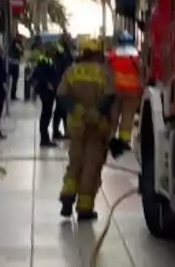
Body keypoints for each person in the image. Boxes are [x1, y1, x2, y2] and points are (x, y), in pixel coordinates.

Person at [57, 37, 127, 221]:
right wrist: (96, 112)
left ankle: (67, 194)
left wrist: (77, 111)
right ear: (97, 53)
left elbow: (62, 96)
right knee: (91, 167)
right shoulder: (105, 72)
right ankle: (84, 209)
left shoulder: (71, 71)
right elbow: (110, 97)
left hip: (77, 127)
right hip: (98, 127)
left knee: (75, 162)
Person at [108, 32, 143, 146]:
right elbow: (142, 73)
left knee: (113, 114)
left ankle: (110, 137)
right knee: (128, 116)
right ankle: (124, 140)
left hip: (115, 90)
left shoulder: (112, 55)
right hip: (132, 91)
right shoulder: (137, 56)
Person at [31, 44, 60, 148]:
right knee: (46, 114)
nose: (55, 52)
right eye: (53, 50)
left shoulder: (49, 60)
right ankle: (44, 139)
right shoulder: (44, 61)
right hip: (46, 91)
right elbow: (40, 75)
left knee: (47, 114)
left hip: (49, 91)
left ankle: (45, 138)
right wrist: (48, 84)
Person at [51, 32, 73, 140]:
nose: (70, 40)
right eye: (68, 38)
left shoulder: (66, 49)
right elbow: (64, 63)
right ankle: (56, 131)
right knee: (60, 109)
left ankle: (66, 131)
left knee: (63, 109)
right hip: (59, 81)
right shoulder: (61, 49)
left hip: (63, 81)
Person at [7, 36, 24, 101]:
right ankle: (11, 95)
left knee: (14, 81)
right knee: (11, 81)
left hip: (14, 64)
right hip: (12, 64)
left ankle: (13, 95)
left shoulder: (18, 45)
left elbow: (22, 53)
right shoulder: (14, 45)